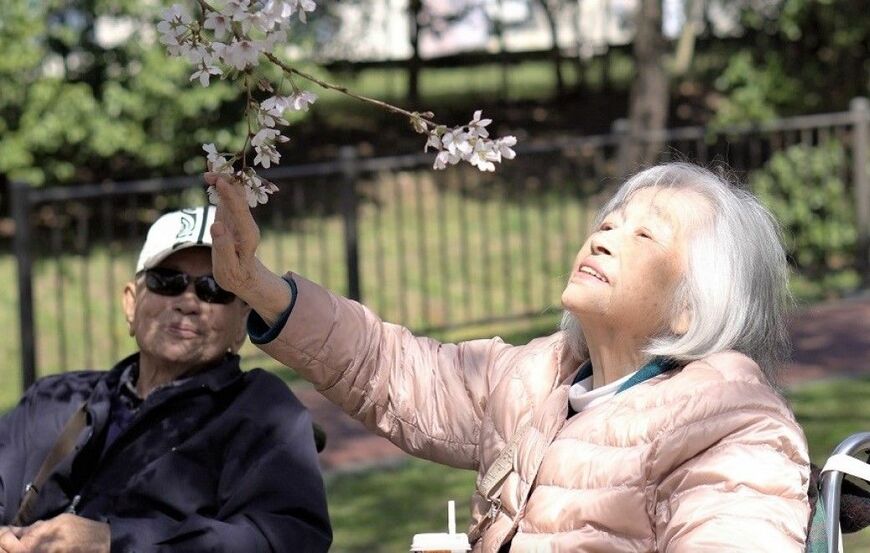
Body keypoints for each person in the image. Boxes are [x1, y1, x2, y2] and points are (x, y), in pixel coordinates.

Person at [208, 162, 811, 552]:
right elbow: (390, 369)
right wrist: (258, 285)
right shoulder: (538, 377)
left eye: (645, 235)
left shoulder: (732, 428)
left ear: (692, 306)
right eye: (609, 221)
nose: (602, 237)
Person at [0, 206, 332, 552]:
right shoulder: (54, 398)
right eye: (167, 282)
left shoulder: (261, 412)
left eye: (214, 289)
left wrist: (113, 542)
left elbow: (287, 540)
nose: (188, 301)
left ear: (242, 320)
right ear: (131, 303)